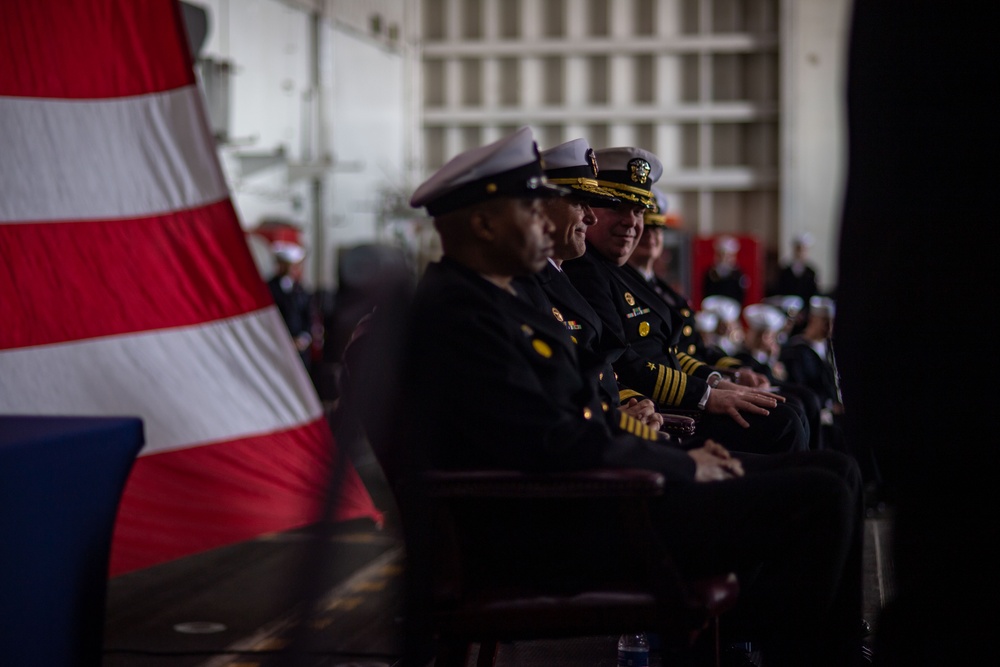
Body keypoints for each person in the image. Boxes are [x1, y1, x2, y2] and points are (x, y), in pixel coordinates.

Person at [394, 126, 866, 667]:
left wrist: (652, 438)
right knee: (822, 493)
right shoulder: (461, 315)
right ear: (482, 223)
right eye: (532, 209)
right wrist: (679, 463)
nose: (563, 221)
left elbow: (567, 414)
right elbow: (554, 439)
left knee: (836, 475)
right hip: (567, 526)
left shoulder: (494, 298)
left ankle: (810, 646)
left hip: (589, 500)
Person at [561, 146, 809, 456]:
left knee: (793, 410)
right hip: (658, 412)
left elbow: (671, 351)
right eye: (618, 206)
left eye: (639, 211)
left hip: (662, 403)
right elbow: (623, 362)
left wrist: (722, 380)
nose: (632, 223)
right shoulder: (586, 270)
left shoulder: (620, 271)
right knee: (785, 422)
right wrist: (709, 392)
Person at [513, 137, 665, 432]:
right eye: (580, 202)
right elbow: (542, 419)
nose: (591, 216)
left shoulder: (556, 276)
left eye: (639, 212)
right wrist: (617, 419)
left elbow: (592, 369)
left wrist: (629, 406)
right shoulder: (507, 290)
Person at [267, 240, 316, 368]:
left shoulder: (302, 290)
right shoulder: (269, 289)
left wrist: (304, 338)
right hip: (277, 346)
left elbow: (309, 317)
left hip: (299, 349)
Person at [770, 233, 820, 311]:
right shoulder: (784, 271)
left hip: (805, 312)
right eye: (798, 249)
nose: (800, 253)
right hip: (787, 310)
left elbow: (814, 294)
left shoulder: (811, 272)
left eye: (803, 250)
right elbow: (779, 291)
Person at [702, 234, 749, 305]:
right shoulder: (710, 273)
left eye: (728, 256)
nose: (724, 259)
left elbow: (741, 294)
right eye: (721, 255)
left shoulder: (738, 275)